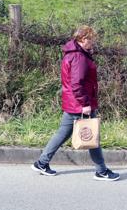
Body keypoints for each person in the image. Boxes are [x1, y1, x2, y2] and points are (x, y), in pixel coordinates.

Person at [32, 25, 120, 181]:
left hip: (73, 102)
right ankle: (101, 171)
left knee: (63, 134)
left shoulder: (73, 54)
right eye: (92, 39)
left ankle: (42, 162)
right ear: (83, 39)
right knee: (92, 136)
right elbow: (77, 84)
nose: (93, 43)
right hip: (80, 103)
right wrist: (85, 103)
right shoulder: (79, 57)